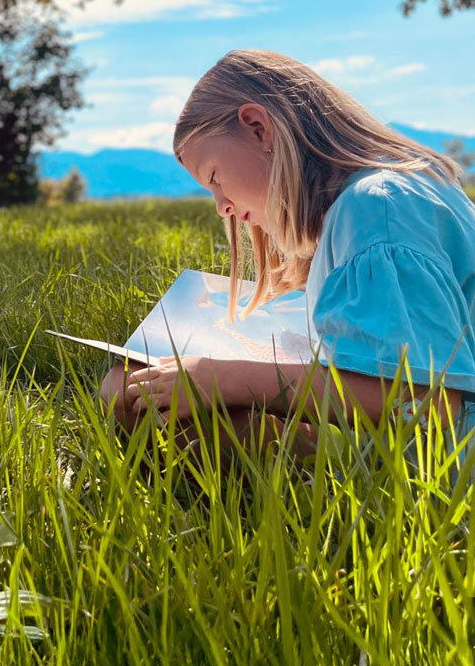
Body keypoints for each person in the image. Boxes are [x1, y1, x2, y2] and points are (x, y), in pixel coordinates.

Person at [100, 49, 475, 458]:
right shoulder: (385, 195)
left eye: (215, 177)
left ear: (259, 128)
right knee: (131, 381)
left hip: (435, 465)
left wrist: (225, 378)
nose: (221, 207)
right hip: (388, 442)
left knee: (130, 394)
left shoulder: (377, 209)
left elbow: (428, 403)